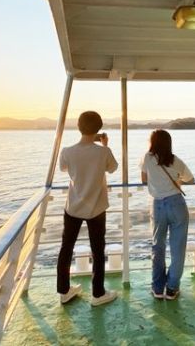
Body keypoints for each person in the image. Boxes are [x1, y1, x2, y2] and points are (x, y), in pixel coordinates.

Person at [57, 111, 118, 306]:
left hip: (73, 207)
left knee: (66, 248)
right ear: (99, 129)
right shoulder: (103, 152)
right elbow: (113, 168)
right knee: (98, 250)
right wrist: (105, 145)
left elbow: (63, 169)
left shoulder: (67, 151)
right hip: (96, 208)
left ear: (79, 127)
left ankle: (64, 291)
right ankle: (98, 294)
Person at [140, 129, 194, 299]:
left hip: (158, 206)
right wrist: (178, 180)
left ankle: (157, 288)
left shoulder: (146, 158)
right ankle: (171, 288)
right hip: (177, 204)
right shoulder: (175, 160)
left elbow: (143, 180)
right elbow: (191, 180)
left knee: (158, 247)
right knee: (178, 249)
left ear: (152, 142)